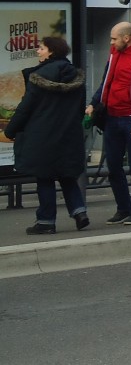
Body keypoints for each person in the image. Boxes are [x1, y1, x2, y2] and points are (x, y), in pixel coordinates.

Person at [6, 36, 90, 235]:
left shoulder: (38, 77)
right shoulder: (76, 78)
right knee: (67, 175)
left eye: (41, 48)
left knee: (45, 178)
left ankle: (46, 221)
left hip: (42, 136)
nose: (37, 51)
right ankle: (79, 212)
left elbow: (25, 109)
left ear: (51, 51)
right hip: (69, 135)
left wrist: (10, 130)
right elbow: (80, 110)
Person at [85, 22, 131, 226]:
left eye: (113, 38)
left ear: (126, 38)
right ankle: (123, 208)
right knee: (114, 167)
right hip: (112, 118)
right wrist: (94, 103)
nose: (111, 42)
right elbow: (106, 82)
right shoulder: (114, 54)